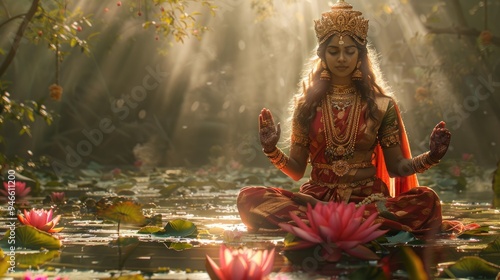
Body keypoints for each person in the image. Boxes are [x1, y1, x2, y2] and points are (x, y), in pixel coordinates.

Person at [236, 0, 451, 237]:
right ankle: (350, 220)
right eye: (334, 51)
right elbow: (297, 170)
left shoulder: (381, 105)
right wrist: (271, 150)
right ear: (322, 55)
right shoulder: (306, 105)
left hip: (366, 199)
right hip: (316, 197)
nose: (341, 58)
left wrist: (432, 156)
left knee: (427, 199)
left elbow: (397, 167)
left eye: (349, 51)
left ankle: (331, 217)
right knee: (248, 198)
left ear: (360, 56)